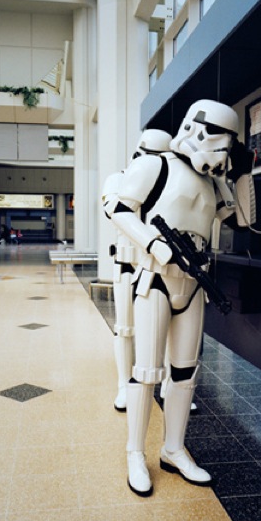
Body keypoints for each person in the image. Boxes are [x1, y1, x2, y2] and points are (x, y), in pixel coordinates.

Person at [111, 99, 254, 496]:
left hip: (193, 285)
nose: (223, 150)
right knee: (147, 372)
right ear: (198, 129)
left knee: (185, 373)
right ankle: (135, 452)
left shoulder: (213, 183)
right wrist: (154, 244)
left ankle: (173, 449)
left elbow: (245, 221)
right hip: (155, 280)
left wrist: (243, 173)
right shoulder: (155, 165)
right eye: (223, 140)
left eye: (230, 143)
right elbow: (120, 210)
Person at [102, 129, 172, 411]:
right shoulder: (118, 179)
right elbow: (113, 210)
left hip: (157, 265)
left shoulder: (170, 179)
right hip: (128, 263)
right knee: (125, 328)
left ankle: (168, 386)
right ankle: (123, 386)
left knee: (167, 329)